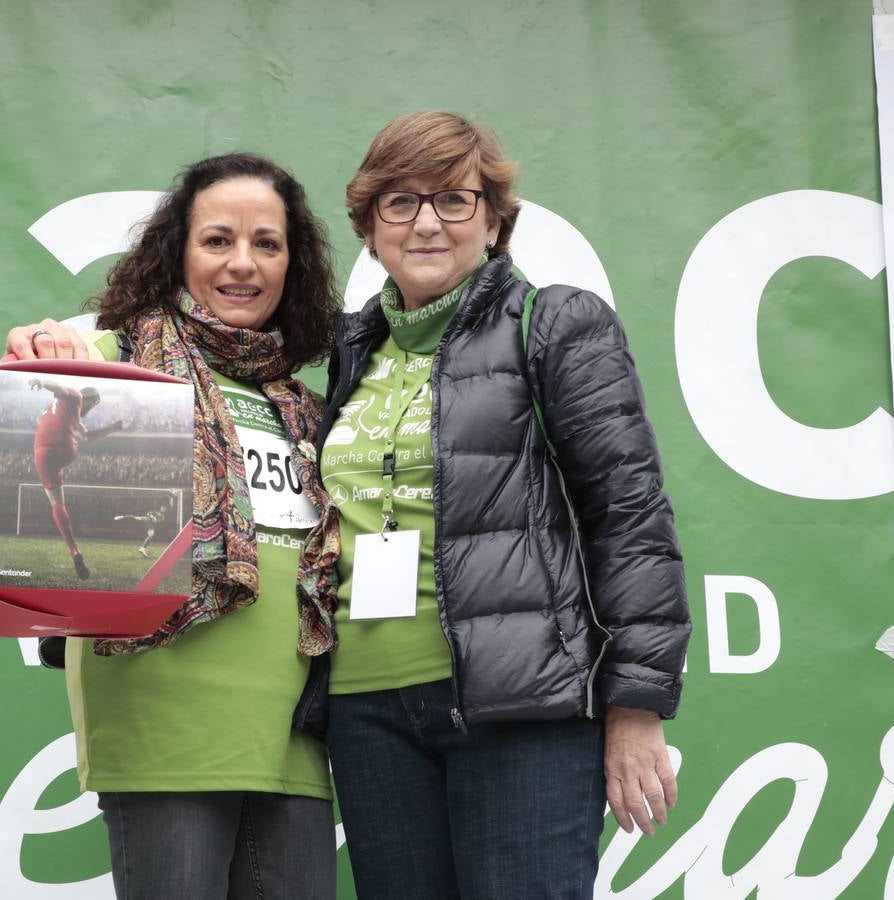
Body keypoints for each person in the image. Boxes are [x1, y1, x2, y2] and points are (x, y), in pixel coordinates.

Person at [0, 152, 343, 900]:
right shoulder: (111, 361)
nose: (242, 263)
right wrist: (15, 387)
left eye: (266, 244)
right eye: (218, 240)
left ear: (293, 263)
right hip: (162, 735)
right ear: (176, 251)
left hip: (295, 747)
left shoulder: (307, 406)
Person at [300, 111, 692, 899]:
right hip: (367, 713)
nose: (427, 222)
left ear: (494, 220)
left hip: (522, 708)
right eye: (400, 202)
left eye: (453, 199)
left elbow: (630, 521)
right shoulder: (350, 350)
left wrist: (635, 707)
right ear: (369, 227)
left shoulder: (555, 324)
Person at [26, 378, 122, 579]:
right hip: (65, 449)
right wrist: (41, 382)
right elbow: (59, 387)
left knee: (55, 503)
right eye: (93, 405)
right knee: (59, 500)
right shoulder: (76, 395)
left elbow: (86, 434)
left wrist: (112, 429)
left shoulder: (62, 409)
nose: (91, 410)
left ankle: (75, 551)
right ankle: (75, 554)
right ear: (89, 399)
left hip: (42, 453)